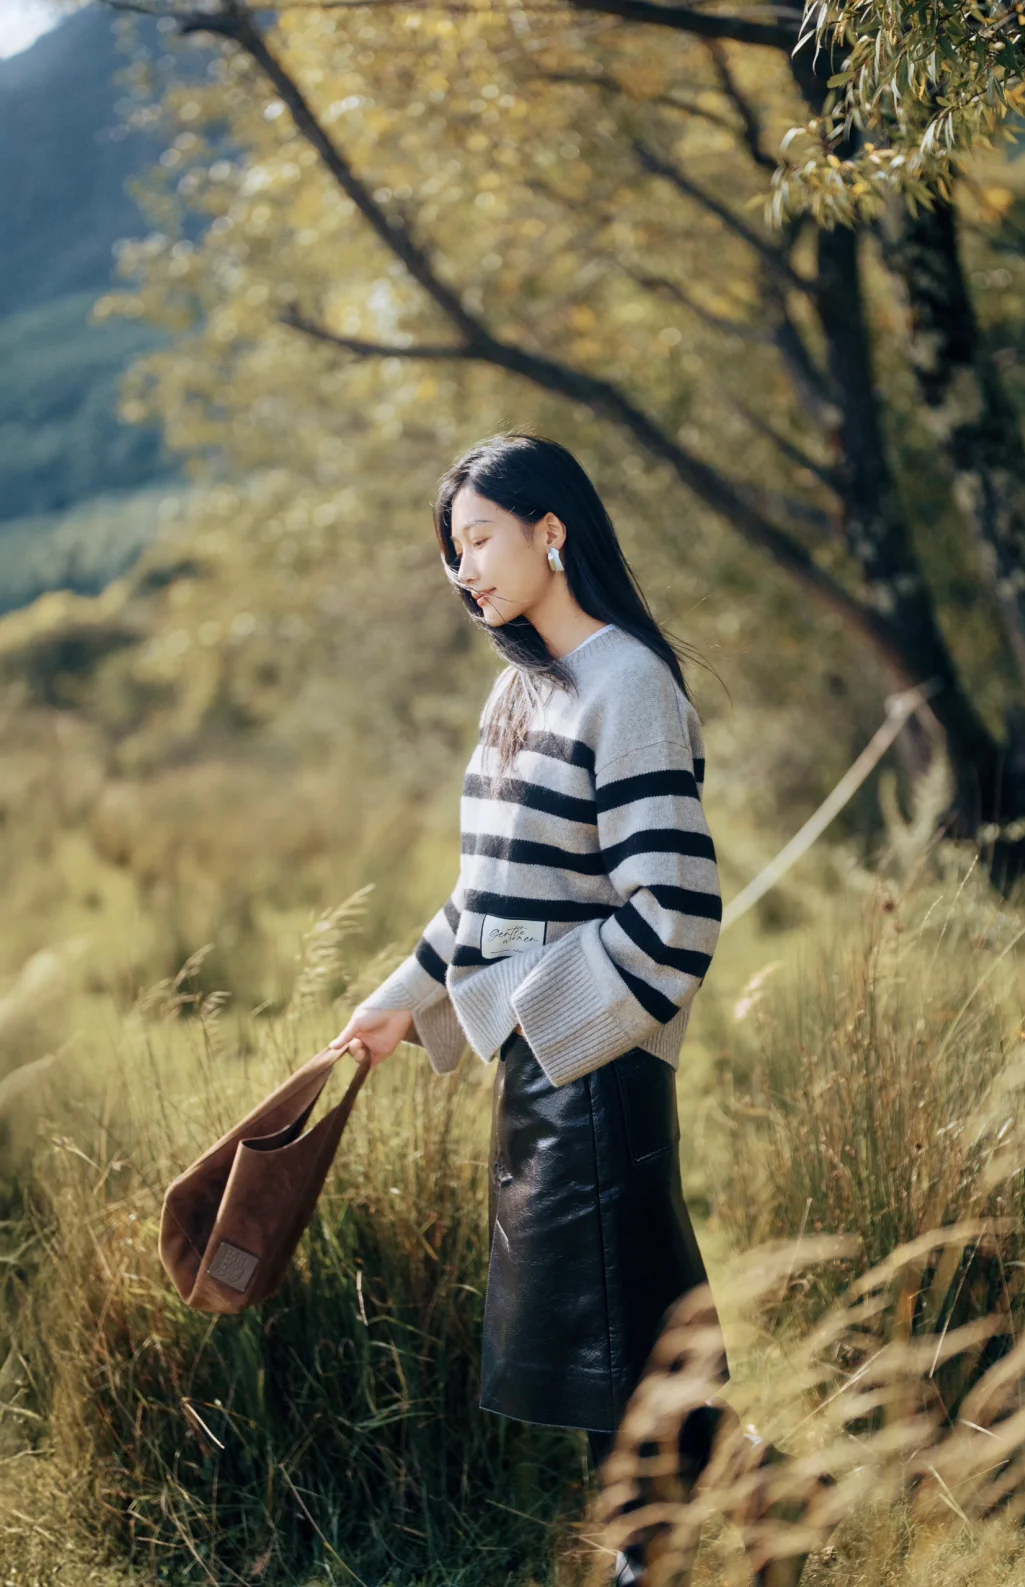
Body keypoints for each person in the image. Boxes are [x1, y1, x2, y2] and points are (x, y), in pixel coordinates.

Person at [330, 431, 782, 1586]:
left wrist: (547, 1025)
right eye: (450, 551)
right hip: (551, 1064)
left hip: (598, 1065)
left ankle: (651, 1563)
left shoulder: (627, 684)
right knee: (627, 1340)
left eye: (477, 537)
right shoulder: (520, 689)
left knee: (617, 1347)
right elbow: (488, 896)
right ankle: (784, 1507)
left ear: (551, 529)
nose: (462, 568)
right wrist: (396, 1005)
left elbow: (676, 912)